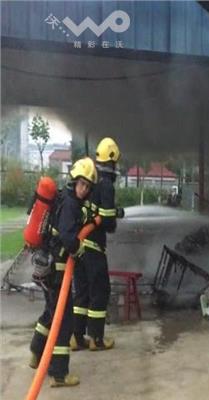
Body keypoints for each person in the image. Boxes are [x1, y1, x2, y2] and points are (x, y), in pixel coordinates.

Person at [29, 157, 98, 387]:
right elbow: (68, 237)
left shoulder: (65, 200)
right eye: (82, 184)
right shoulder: (70, 205)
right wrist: (79, 250)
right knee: (64, 320)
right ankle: (59, 373)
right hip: (57, 271)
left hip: (48, 268)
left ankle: (36, 352)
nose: (84, 189)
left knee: (50, 313)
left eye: (87, 186)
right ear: (74, 181)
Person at [71, 137, 122, 351]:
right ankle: (96, 339)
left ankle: (77, 338)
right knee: (100, 291)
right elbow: (108, 222)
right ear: (113, 160)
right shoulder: (106, 185)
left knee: (81, 293)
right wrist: (115, 215)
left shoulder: (90, 179)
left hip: (79, 247)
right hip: (94, 249)